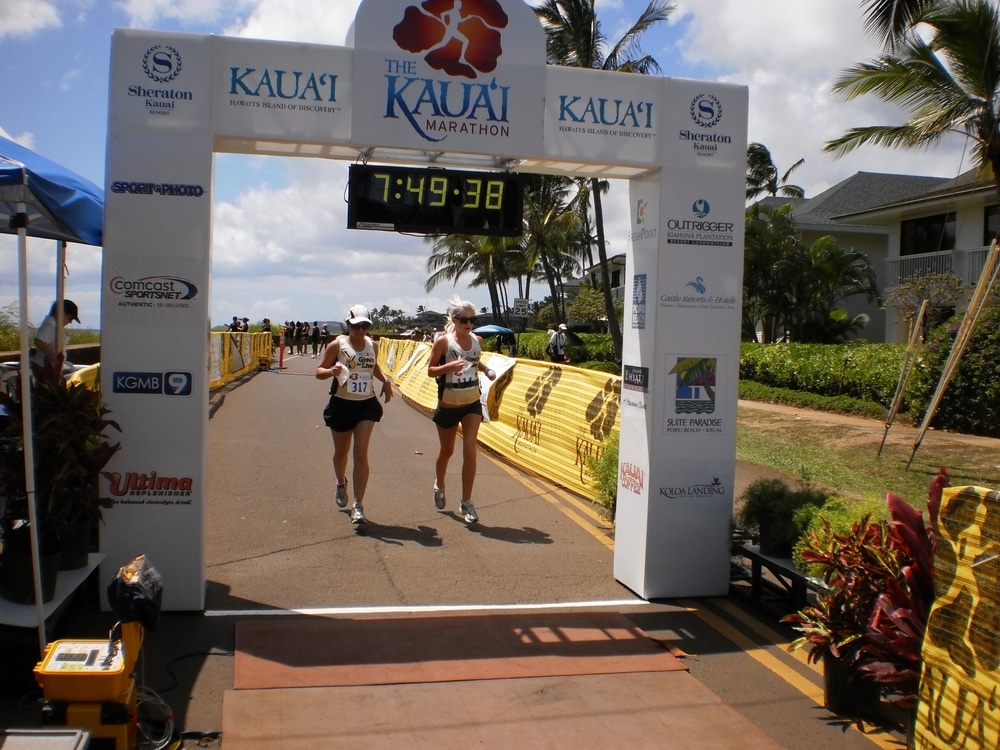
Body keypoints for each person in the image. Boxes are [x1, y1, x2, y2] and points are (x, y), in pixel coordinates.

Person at [315, 304, 393, 525]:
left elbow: (373, 367)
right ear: (348, 324)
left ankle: (358, 505)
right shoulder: (336, 345)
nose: (361, 330)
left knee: (360, 452)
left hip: (365, 405)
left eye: (365, 326)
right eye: (356, 326)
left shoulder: (372, 345)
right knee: (341, 452)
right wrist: (331, 371)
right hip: (341, 403)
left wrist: (385, 381)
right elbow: (319, 372)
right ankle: (340, 482)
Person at [426, 297, 496, 524]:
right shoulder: (443, 343)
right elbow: (431, 370)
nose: (469, 323)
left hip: (471, 403)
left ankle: (466, 501)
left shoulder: (478, 340)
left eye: (472, 319)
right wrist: (449, 366)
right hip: (448, 405)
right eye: (464, 319)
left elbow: (473, 362)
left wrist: (486, 369)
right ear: (454, 320)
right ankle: (439, 484)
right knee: (447, 451)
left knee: (470, 451)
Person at [30, 299, 80, 369]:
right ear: (61, 313)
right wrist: (54, 356)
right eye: (70, 318)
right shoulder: (50, 325)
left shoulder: (55, 325)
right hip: (44, 368)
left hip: (49, 367)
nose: (70, 322)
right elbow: (38, 341)